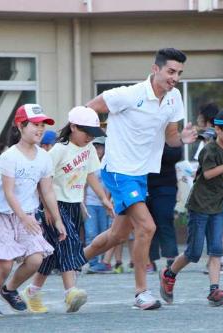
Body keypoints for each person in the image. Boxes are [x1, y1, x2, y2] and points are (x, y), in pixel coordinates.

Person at [83, 48, 197, 310]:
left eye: (179, 73)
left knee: (117, 235)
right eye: (170, 71)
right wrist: (92, 143)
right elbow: (88, 110)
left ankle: (73, 260)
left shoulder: (174, 97)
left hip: (140, 174)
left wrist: (183, 139)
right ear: (155, 69)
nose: (175, 78)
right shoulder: (127, 94)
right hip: (118, 170)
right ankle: (141, 293)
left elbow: (170, 137)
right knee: (147, 227)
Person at [0, 104, 67, 318]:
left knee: (36, 260)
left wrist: (57, 220)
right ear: (20, 126)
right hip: (1, 216)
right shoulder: (9, 156)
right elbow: (9, 193)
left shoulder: (44, 157)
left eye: (42, 125)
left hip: (27, 215)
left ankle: (9, 290)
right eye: (35, 124)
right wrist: (23, 218)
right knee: (4, 265)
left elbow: (47, 191)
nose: (40, 129)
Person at [23, 106, 112, 313]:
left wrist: (103, 199)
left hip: (74, 205)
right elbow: (43, 180)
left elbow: (90, 174)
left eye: (94, 134)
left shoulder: (88, 148)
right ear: (73, 127)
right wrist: (46, 208)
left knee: (53, 255)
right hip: (55, 205)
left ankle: (32, 292)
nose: (90, 138)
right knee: (69, 241)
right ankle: (70, 292)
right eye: (87, 133)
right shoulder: (59, 150)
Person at [159, 107, 223, 307]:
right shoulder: (210, 149)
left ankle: (215, 291)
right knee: (193, 253)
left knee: (216, 250)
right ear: (218, 129)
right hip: (199, 206)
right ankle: (169, 274)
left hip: (217, 206)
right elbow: (208, 174)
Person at [147, 143, 183, 272]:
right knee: (147, 224)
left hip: (165, 185)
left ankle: (171, 258)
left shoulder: (168, 137)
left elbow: (176, 155)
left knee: (165, 220)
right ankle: (149, 260)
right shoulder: (142, 134)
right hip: (143, 183)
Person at [83, 135, 114, 274]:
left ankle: (102, 262)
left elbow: (111, 186)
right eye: (95, 146)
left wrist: (108, 201)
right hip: (90, 202)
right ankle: (92, 262)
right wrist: (82, 203)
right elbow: (82, 185)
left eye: (100, 146)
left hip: (104, 204)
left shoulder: (108, 164)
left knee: (104, 232)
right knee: (91, 232)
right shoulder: (88, 163)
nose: (97, 149)